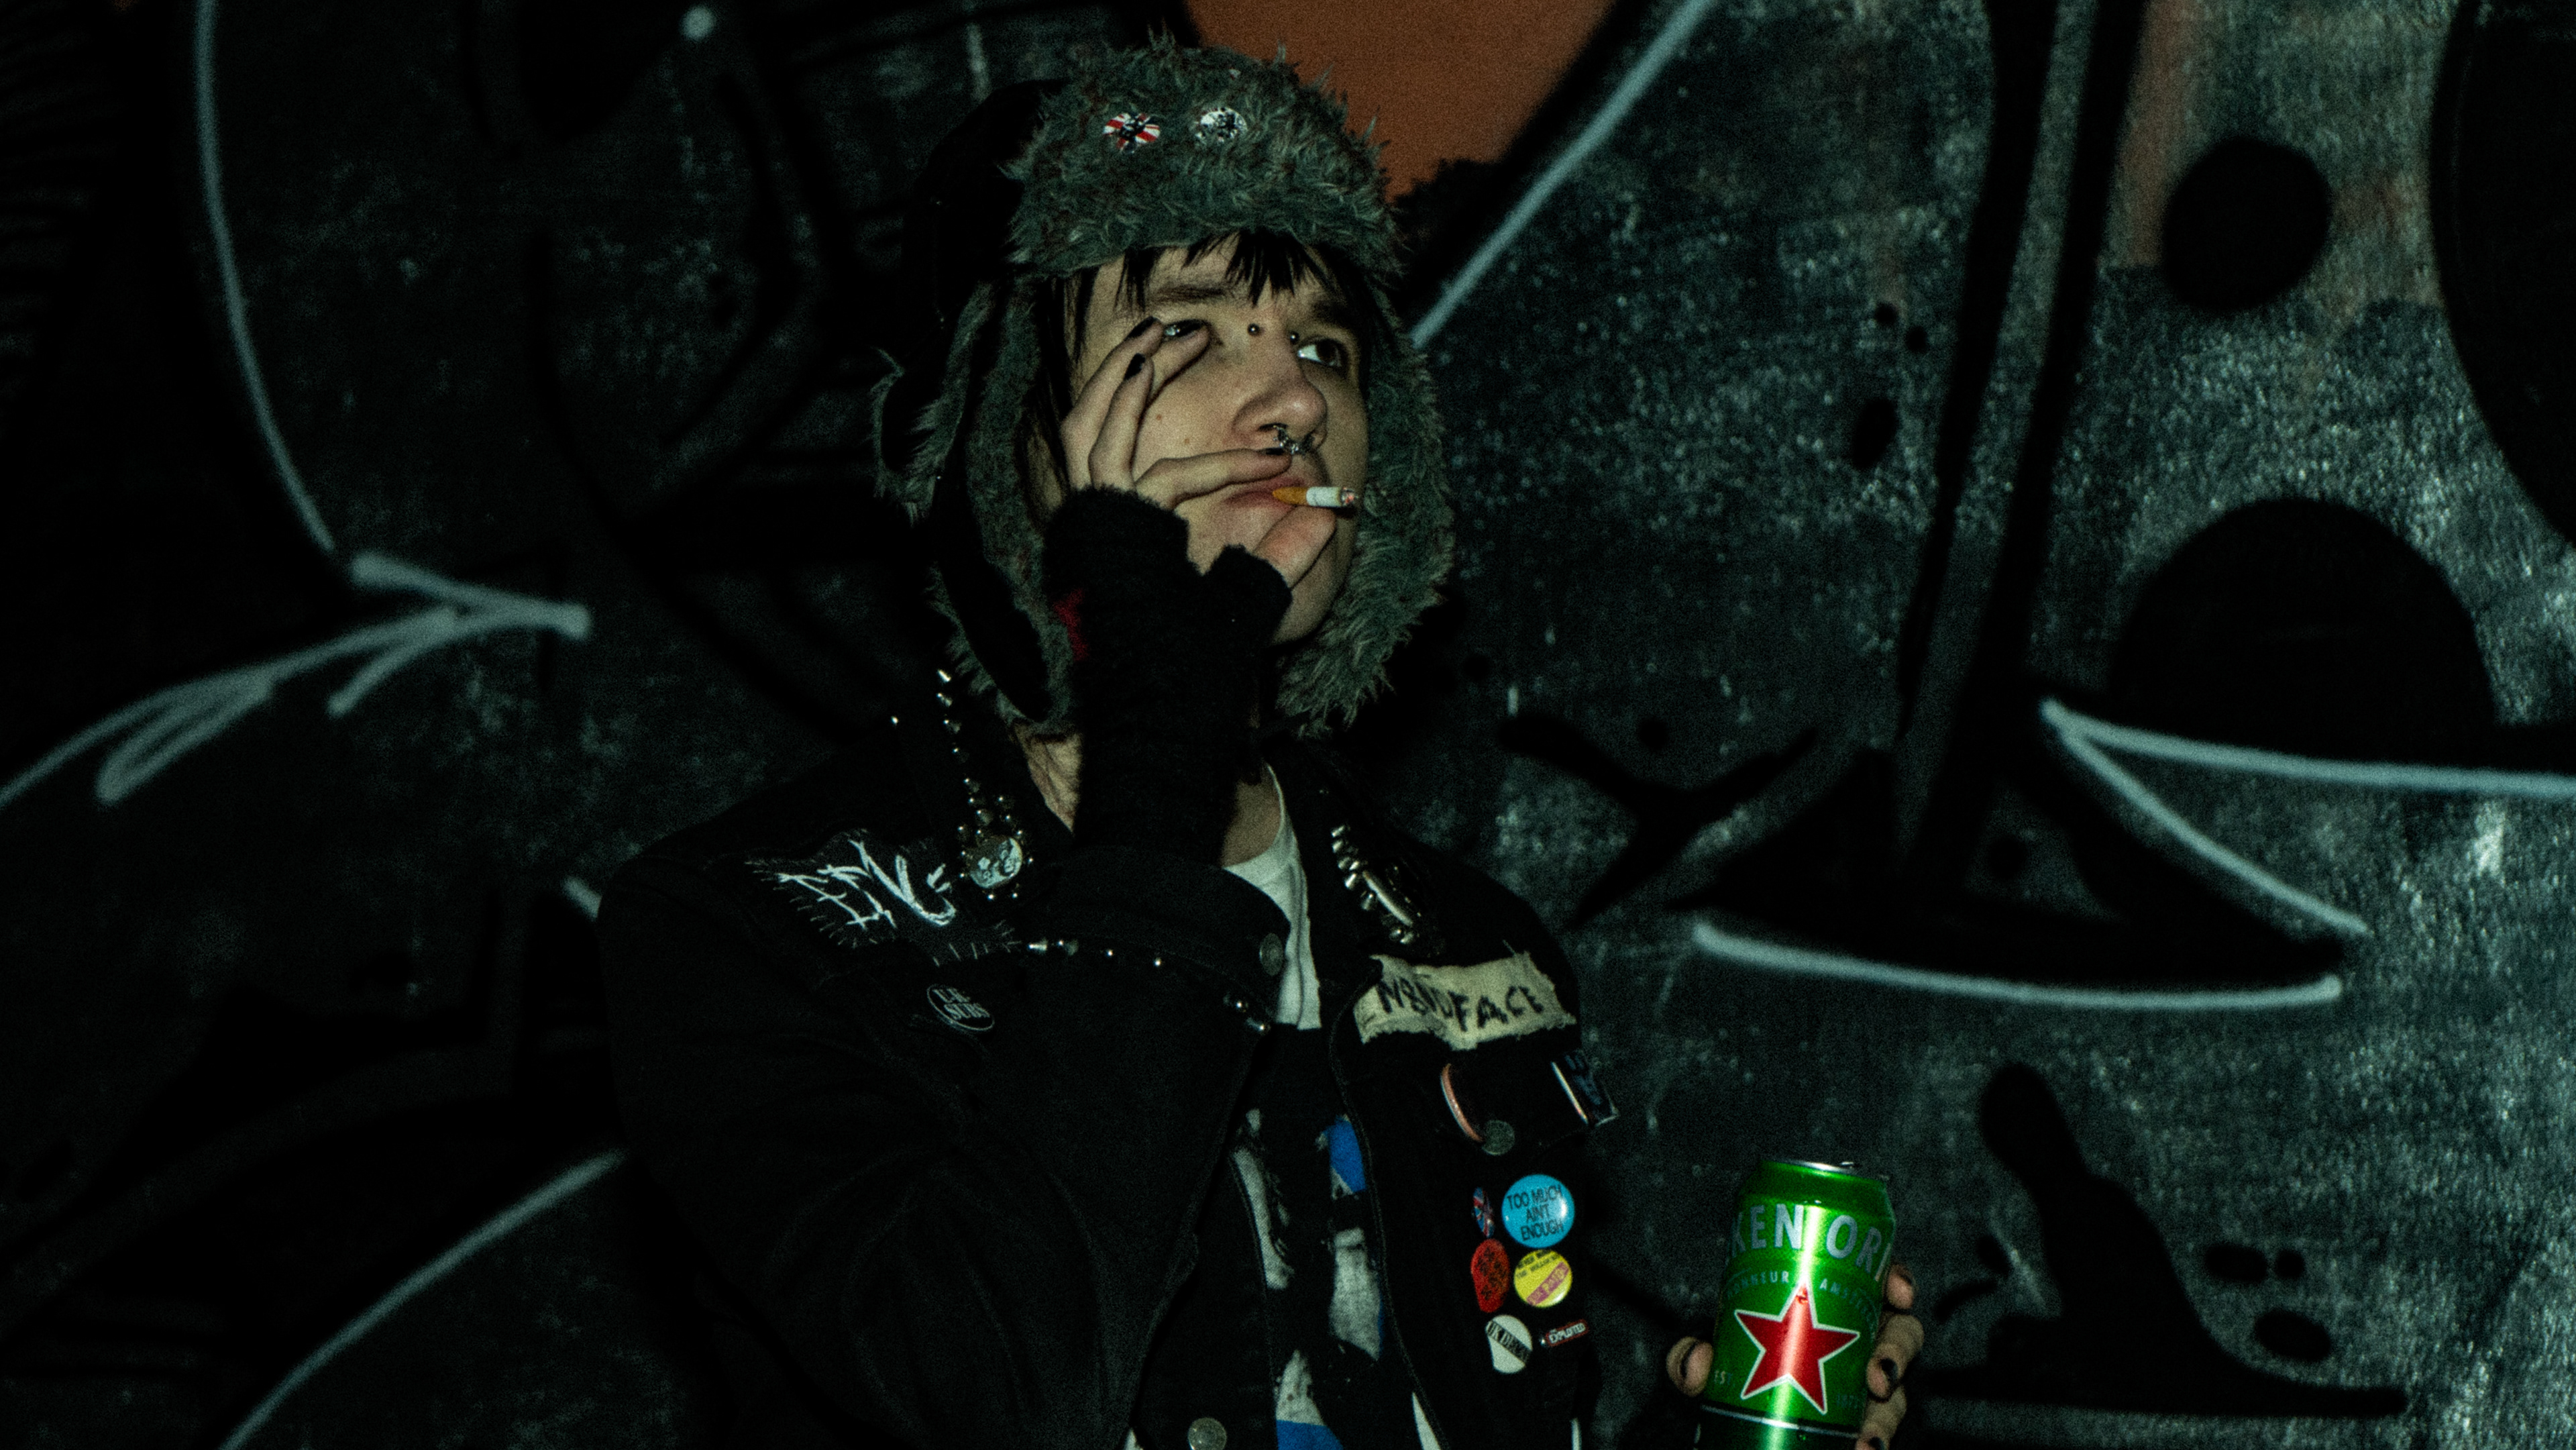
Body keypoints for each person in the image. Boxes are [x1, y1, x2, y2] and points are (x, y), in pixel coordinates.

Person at [600, 40, 1919, 1450]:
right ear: (1006, 431)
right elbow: (1008, 1393)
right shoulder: (761, 933)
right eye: (1184, 333)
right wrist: (1157, 721)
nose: (1293, 400)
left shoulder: (1468, 948)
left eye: (1324, 348)